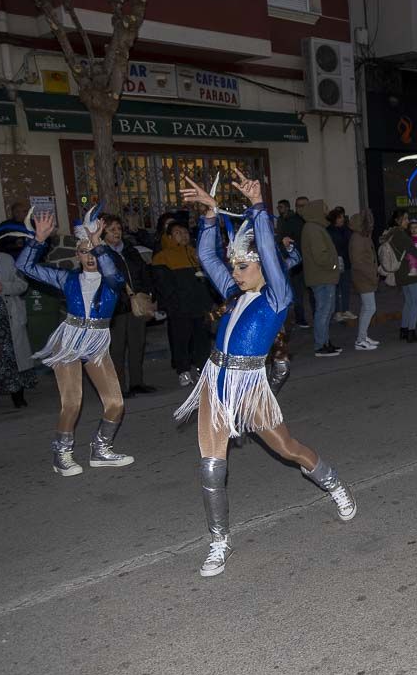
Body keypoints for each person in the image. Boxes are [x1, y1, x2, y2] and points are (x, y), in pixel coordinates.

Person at [177, 171, 356, 577]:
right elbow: (206, 258)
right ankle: (219, 542)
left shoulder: (277, 297)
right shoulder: (232, 292)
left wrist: (259, 209)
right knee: (211, 466)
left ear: (262, 264)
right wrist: (208, 215)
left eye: (244, 265)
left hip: (251, 386)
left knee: (288, 449)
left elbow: (273, 261)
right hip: (215, 380)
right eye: (234, 265)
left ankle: (334, 484)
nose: (236, 272)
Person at [18, 209, 134, 475]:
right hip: (69, 340)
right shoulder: (66, 278)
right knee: (72, 402)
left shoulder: (112, 283)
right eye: (84, 250)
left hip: (96, 342)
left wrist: (98, 244)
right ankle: (62, 454)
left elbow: (114, 274)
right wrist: (38, 240)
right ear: (77, 255)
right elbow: (25, 266)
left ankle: (101, 450)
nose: (90, 256)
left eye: (94, 251)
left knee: (116, 404)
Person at [150, 220, 214, 386]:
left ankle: (202, 368)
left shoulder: (195, 253)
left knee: (202, 339)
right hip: (180, 306)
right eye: (178, 233)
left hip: (199, 304)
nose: (183, 235)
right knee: (181, 339)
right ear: (170, 236)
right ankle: (183, 370)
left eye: (185, 232)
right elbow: (163, 284)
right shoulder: (162, 257)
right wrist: (173, 304)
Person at [102, 215, 156, 396]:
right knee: (117, 348)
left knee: (137, 344)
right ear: (103, 233)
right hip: (117, 307)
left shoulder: (129, 250)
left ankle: (136, 382)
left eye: (118, 228)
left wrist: (146, 292)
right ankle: (119, 387)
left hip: (137, 303)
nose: (117, 233)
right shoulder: (102, 253)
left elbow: (143, 271)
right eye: (112, 230)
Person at [0, 232, 37, 410]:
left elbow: (22, 284)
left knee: (12, 354)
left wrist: (3, 287)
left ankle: (18, 394)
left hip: (9, 316)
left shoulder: (6, 260)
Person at [300, 198, 341, 357]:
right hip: (322, 277)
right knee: (324, 311)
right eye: (324, 207)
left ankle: (325, 341)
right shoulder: (313, 229)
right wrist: (333, 265)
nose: (326, 210)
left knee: (326, 310)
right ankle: (320, 345)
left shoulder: (315, 227)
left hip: (322, 276)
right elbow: (320, 255)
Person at [382, 210, 417, 342]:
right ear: (398, 220)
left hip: (401, 272)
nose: (408, 221)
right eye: (405, 219)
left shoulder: (391, 233)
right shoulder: (400, 234)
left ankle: (404, 329)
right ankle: (411, 332)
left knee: (408, 301)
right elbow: (414, 251)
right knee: (415, 302)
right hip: (410, 272)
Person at [348, 210, 380, 351]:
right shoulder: (358, 238)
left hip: (365, 276)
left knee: (367, 308)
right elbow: (358, 262)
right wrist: (371, 275)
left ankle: (363, 336)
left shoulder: (362, 236)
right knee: (370, 308)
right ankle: (360, 340)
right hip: (364, 277)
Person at [277, 197, 309, 328]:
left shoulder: (294, 221)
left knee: (299, 291)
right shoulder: (285, 221)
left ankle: (300, 318)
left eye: (281, 207)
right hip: (291, 259)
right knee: (295, 291)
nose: (279, 210)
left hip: (297, 258)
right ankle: (298, 318)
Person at [327, 207, 354, 321]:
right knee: (337, 288)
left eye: (343, 216)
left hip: (346, 261)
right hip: (335, 262)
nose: (342, 219)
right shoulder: (329, 231)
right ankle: (337, 311)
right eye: (340, 217)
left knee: (346, 287)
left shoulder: (346, 229)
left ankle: (345, 309)